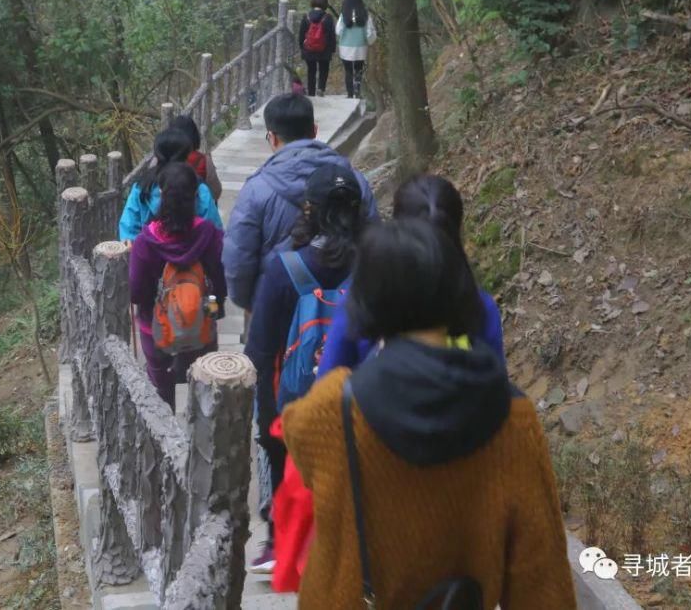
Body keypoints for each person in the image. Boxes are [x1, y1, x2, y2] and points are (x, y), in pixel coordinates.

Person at [282, 218, 576, 608]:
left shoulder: (332, 410)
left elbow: (295, 433)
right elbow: (542, 580)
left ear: (367, 300)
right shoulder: (514, 417)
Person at [244, 164, 365, 574]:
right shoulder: (378, 266)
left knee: (276, 448)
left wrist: (266, 418)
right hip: (362, 398)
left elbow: (260, 351)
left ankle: (281, 539)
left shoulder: (285, 268)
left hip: (295, 400)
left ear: (309, 210)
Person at [318, 174, 505, 377]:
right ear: (458, 229)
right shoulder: (480, 307)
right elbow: (499, 392)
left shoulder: (361, 299)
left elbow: (326, 382)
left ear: (396, 228)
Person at [222, 92, 377, 314]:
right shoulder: (353, 181)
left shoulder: (256, 189)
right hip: (345, 309)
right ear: (314, 130)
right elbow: (373, 240)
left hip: (275, 307)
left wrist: (250, 301)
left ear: (272, 137)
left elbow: (238, 256)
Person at [129, 163, 226, 411]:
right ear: (196, 195)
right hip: (200, 322)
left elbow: (137, 293)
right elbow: (218, 278)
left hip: (156, 327)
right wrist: (216, 310)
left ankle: (166, 437)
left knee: (161, 385)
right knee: (203, 381)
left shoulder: (145, 242)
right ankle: (202, 437)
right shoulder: (209, 234)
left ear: (160, 194)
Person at [118, 128, 222, 242]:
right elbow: (214, 233)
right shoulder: (199, 189)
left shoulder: (142, 187)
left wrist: (139, 249)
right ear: (186, 155)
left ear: (157, 154)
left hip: (149, 254)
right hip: (192, 256)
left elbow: (129, 230)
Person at [170, 115, 222, 202]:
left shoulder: (161, 158)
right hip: (197, 208)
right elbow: (216, 191)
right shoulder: (204, 160)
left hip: (166, 208)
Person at [335, 0, 376, 99]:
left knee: (348, 70)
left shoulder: (344, 14)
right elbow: (370, 32)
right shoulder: (365, 14)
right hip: (360, 46)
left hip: (345, 46)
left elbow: (338, 31)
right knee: (359, 69)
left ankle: (349, 93)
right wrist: (370, 41)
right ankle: (357, 91)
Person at [297, 0, 337, 97]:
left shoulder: (306, 16)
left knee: (311, 70)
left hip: (309, 49)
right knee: (324, 69)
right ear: (325, 3)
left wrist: (302, 47)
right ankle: (321, 89)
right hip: (324, 49)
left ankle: (311, 93)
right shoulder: (328, 17)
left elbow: (301, 34)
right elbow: (332, 35)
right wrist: (332, 49)